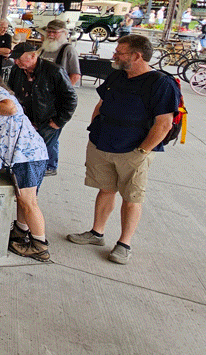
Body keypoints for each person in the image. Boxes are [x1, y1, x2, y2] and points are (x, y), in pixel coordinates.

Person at [68, 35, 177, 265]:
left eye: (120, 52)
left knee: (132, 197)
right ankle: (97, 233)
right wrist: (94, 131)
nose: (114, 55)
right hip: (103, 143)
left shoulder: (160, 83)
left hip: (133, 150)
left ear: (137, 56)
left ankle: (124, 244)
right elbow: (101, 104)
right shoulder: (117, 75)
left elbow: (164, 124)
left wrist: (142, 151)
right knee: (106, 189)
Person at [0, 69, 52, 261]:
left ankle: (40, 246)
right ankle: (20, 231)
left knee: (28, 201)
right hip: (29, 153)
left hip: (24, 155)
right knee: (23, 198)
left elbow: (10, 109)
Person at [7, 42, 77, 178]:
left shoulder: (54, 71)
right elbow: (11, 89)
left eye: (19, 59)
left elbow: (71, 98)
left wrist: (59, 120)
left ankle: (43, 171)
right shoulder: (17, 70)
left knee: (42, 152)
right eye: (14, 59)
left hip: (47, 119)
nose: (16, 62)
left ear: (33, 56)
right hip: (26, 118)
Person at [40, 19, 81, 86]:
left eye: (54, 32)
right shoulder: (45, 46)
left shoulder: (68, 49)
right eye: (48, 31)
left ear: (65, 33)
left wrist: (66, 92)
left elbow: (75, 75)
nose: (50, 34)